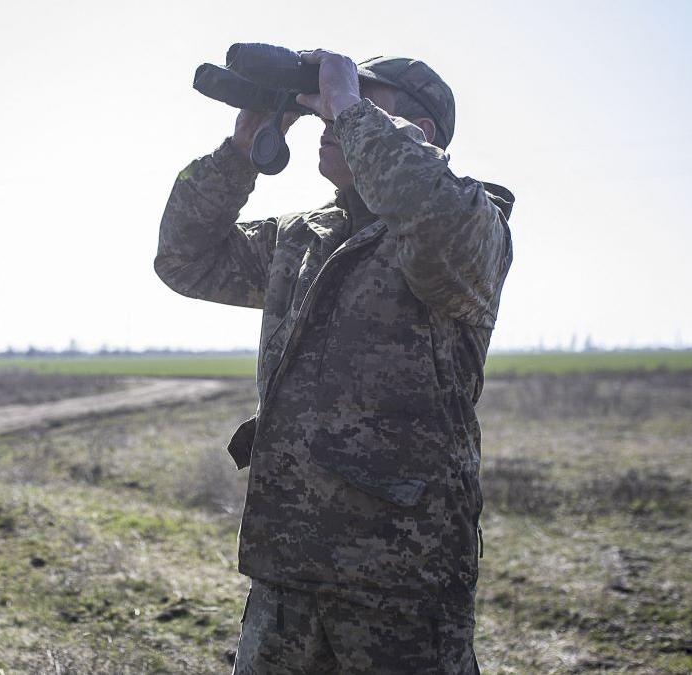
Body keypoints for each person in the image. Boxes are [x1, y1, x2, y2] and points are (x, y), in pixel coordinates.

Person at [155, 49, 515, 673]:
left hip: (400, 576)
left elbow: (431, 214)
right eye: (326, 108)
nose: (329, 120)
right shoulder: (306, 235)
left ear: (417, 133)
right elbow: (184, 258)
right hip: (287, 565)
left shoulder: (468, 224)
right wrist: (241, 149)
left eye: (353, 106)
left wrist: (348, 104)